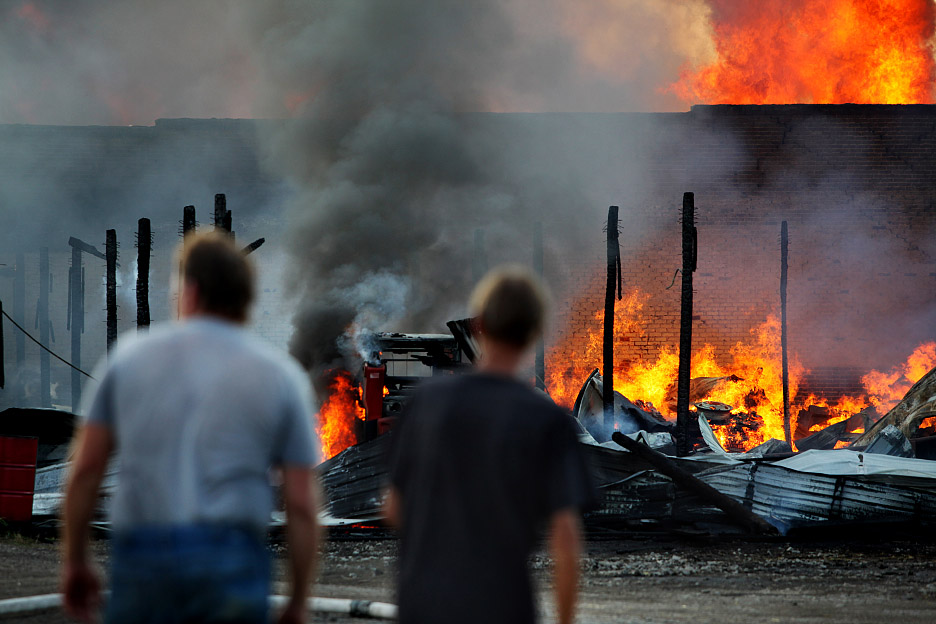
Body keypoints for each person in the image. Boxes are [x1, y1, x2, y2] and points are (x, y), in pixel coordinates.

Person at [61, 232, 321, 624]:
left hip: (144, 558)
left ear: (192, 290)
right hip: (232, 562)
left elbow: (84, 473)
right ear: (244, 298)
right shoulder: (279, 377)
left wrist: (75, 561)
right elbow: (301, 503)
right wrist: (298, 600)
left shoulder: (128, 359)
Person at [386, 265, 596, 624]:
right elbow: (565, 538)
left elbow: (393, 509)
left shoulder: (425, 402)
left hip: (422, 603)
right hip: (501, 605)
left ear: (480, 324)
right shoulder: (546, 419)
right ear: (535, 332)